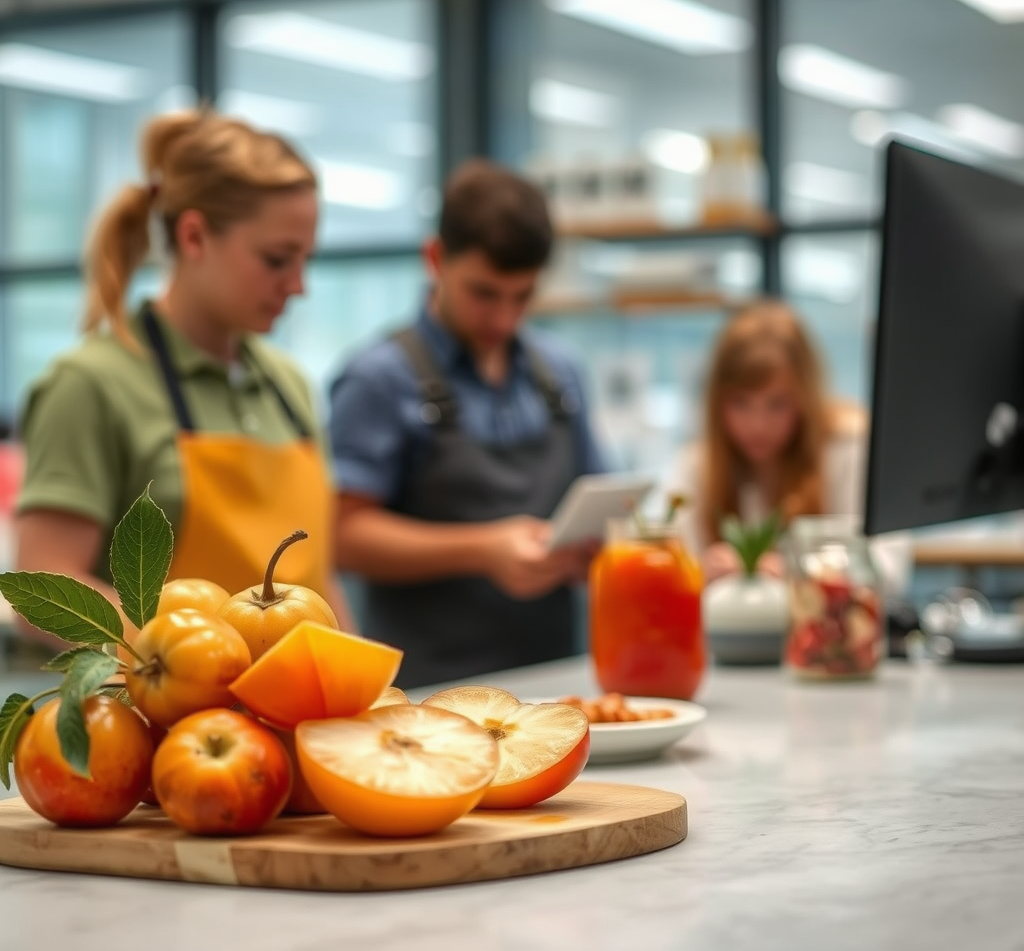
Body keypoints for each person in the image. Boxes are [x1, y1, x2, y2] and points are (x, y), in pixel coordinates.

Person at [14, 109, 353, 644]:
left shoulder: (290, 385)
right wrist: (202, 659)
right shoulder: (90, 384)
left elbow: (317, 580)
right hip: (160, 721)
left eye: (305, 259)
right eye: (277, 259)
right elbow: (45, 587)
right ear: (194, 236)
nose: (298, 285)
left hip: (294, 719)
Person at [329, 158, 605, 687]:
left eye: (522, 297)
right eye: (483, 293)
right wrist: (483, 550)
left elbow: (600, 496)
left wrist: (594, 548)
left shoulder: (561, 373)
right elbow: (343, 536)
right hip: (431, 695)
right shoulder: (379, 379)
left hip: (557, 682)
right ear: (435, 258)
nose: (503, 319)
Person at [664, 300, 911, 593]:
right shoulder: (696, 465)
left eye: (777, 404)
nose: (758, 425)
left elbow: (889, 568)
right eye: (740, 403)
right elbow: (670, 568)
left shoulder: (848, 449)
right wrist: (697, 573)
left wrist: (797, 571)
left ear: (804, 398)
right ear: (717, 401)